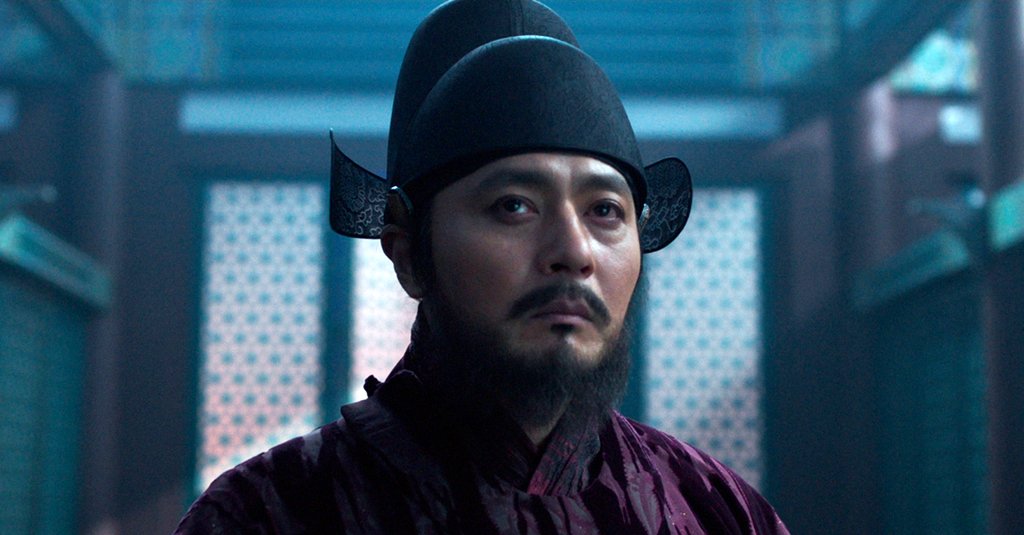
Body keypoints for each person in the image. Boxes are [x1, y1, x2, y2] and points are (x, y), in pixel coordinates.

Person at [176, 0, 788, 533]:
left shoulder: (713, 510)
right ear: (408, 253)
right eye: (513, 206)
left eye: (604, 210)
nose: (573, 252)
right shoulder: (271, 512)